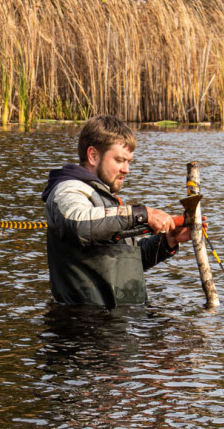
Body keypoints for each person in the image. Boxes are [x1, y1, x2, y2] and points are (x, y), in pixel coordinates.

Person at [41, 115, 192, 307]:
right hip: (83, 328)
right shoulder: (68, 190)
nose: (126, 169)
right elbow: (78, 223)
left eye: (129, 161)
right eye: (120, 160)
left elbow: (126, 262)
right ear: (93, 156)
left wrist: (168, 241)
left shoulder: (108, 200)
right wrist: (142, 214)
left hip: (120, 323)